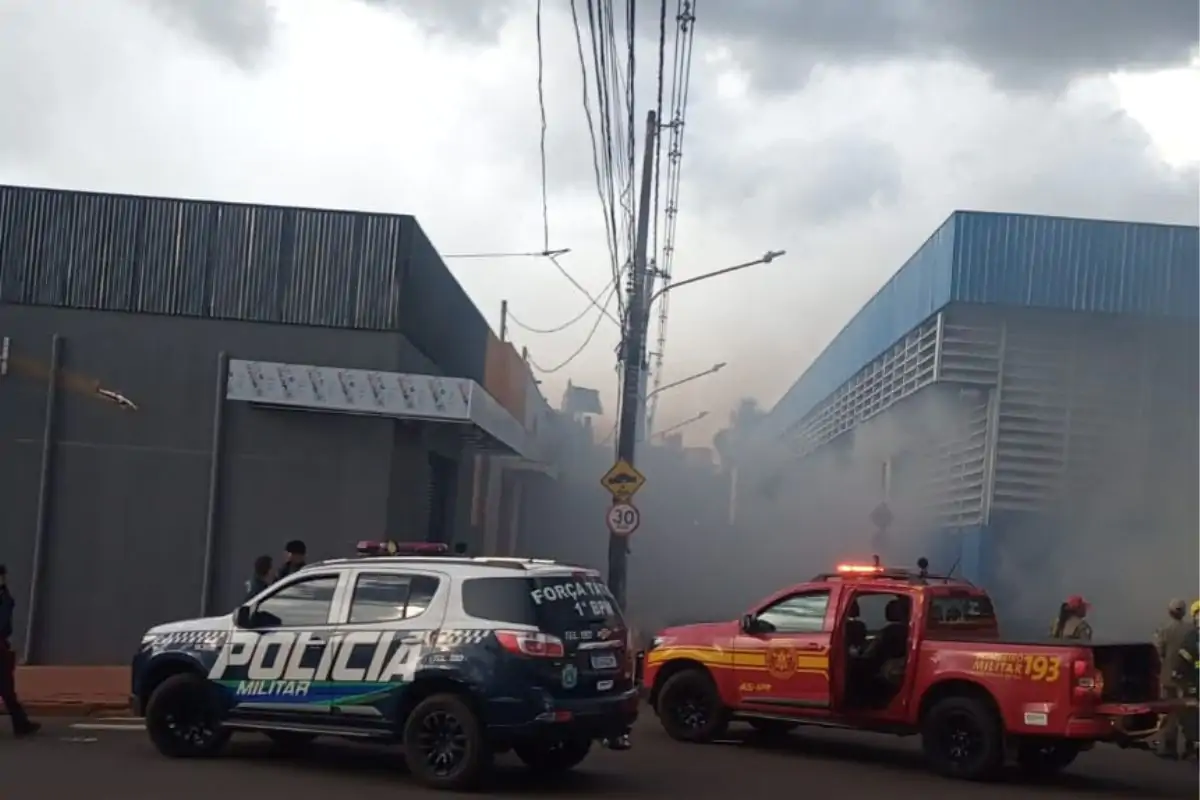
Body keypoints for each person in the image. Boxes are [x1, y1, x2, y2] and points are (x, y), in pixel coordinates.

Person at [0, 565, 40, 737]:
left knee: (7, 688)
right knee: (6, 687)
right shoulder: (4, 598)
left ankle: (21, 723)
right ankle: (21, 723)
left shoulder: (4, 596)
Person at [1155, 598, 1193, 759]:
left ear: (1170, 612)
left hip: (1169, 677)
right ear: (1184, 612)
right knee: (1188, 711)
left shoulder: (1164, 629)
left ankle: (1169, 747)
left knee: (1169, 711)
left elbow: (1160, 652)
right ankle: (1190, 747)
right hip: (1188, 677)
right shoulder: (1192, 630)